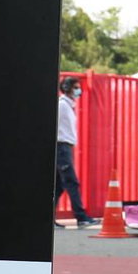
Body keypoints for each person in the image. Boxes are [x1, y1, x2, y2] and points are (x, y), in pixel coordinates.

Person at [55, 77, 98, 228]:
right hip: (61, 147)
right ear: (67, 88)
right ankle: (81, 217)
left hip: (66, 147)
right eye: (75, 87)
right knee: (71, 182)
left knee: (58, 186)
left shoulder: (68, 106)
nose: (78, 91)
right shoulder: (62, 105)